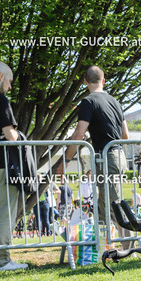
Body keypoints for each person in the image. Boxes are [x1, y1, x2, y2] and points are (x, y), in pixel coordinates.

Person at [56, 65, 130, 241]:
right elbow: (125, 135)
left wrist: (65, 160)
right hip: (118, 156)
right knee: (106, 205)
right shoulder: (115, 102)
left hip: (107, 158)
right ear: (103, 80)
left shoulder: (88, 102)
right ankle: (108, 244)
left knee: (114, 206)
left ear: (85, 81)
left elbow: (79, 133)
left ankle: (129, 246)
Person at [0, 61, 28, 271]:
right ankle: (3, 261)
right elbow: (11, 136)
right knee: (3, 213)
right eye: (10, 81)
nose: (10, 87)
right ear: (0, 76)